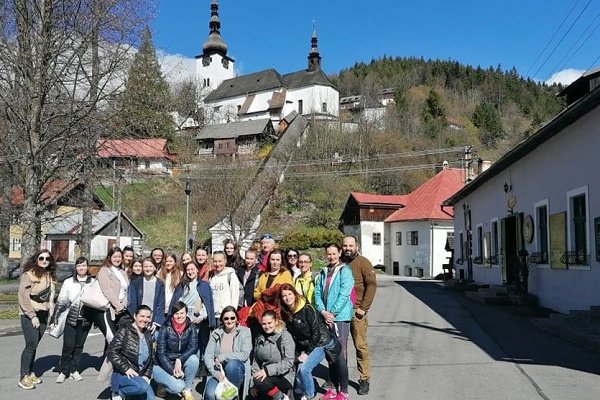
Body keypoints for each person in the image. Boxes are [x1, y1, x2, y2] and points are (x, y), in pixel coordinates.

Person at [279, 284, 345, 400]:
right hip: (306, 344)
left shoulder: (307, 308)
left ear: (295, 294)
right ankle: (300, 390)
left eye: (289, 294)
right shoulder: (285, 312)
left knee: (305, 369)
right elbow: (293, 335)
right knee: (298, 368)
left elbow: (316, 333)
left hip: (321, 342)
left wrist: (307, 353)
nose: (287, 298)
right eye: (284, 296)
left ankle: (309, 395)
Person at [314, 243, 354, 399]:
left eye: (334, 253)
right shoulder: (324, 272)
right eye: (328, 254)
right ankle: (333, 388)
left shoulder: (345, 271)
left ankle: (343, 391)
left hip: (340, 318)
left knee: (339, 353)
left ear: (339, 253)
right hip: (326, 317)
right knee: (329, 353)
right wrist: (323, 312)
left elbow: (344, 294)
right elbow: (317, 293)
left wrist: (332, 313)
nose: (331, 256)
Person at [342, 235, 377, 395]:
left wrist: (364, 308)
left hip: (357, 312)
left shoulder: (363, 262)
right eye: (345, 246)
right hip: (341, 313)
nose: (348, 248)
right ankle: (339, 377)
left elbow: (372, 285)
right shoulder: (339, 262)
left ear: (356, 246)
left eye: (351, 245)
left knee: (360, 346)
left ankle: (364, 379)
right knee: (339, 347)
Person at [50, 256, 94, 383]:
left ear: (87, 267)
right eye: (79, 266)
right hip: (70, 318)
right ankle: (63, 370)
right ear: (76, 267)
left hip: (86, 319)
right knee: (68, 346)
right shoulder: (69, 282)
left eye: (84, 265)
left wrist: (97, 321)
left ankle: (74, 370)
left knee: (79, 346)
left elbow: (97, 303)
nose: (81, 268)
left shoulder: (93, 282)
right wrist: (54, 319)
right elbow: (61, 301)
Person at [17, 249, 56, 390]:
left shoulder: (49, 275)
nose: (44, 261)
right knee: (31, 344)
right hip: (29, 314)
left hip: (43, 314)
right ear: (36, 260)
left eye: (47, 258)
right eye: (41, 258)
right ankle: (23, 377)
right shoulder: (28, 275)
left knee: (35, 345)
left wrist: (52, 319)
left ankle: (30, 371)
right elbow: (23, 297)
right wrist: (32, 316)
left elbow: (50, 299)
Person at [171, 261, 217, 367]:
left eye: (192, 269)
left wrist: (202, 317)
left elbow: (208, 303)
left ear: (197, 270)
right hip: (184, 318)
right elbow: (177, 302)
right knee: (184, 343)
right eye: (188, 270)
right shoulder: (182, 285)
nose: (190, 272)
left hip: (199, 318)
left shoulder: (204, 285)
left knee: (197, 343)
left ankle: (196, 366)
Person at [82, 247, 130, 345]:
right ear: (109, 258)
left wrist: (123, 306)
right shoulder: (105, 270)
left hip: (120, 311)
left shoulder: (122, 272)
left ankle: (109, 360)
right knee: (113, 340)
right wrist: (118, 305)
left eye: (119, 257)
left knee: (118, 340)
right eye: (115, 257)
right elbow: (106, 290)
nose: (117, 259)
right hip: (107, 309)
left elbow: (125, 291)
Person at [107, 305, 155, 400]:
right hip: (124, 373)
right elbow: (111, 352)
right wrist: (126, 368)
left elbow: (151, 358)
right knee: (142, 387)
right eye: (142, 316)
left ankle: (134, 391)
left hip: (140, 374)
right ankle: (118, 391)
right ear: (135, 316)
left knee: (151, 398)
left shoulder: (148, 334)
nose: (145, 319)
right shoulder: (124, 330)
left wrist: (147, 375)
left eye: (148, 317)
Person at [203, 306, 252, 400]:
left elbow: (244, 355)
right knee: (210, 395)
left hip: (237, 369)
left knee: (231, 365)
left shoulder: (245, 332)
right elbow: (208, 356)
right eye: (226, 318)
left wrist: (224, 356)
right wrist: (214, 372)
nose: (229, 321)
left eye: (232, 318)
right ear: (222, 320)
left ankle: (232, 396)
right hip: (219, 370)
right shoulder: (216, 333)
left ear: (237, 318)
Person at [153, 301, 199, 400]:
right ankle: (162, 385)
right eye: (176, 313)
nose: (179, 316)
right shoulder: (165, 327)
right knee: (178, 387)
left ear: (186, 313)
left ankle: (187, 390)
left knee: (194, 359)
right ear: (172, 315)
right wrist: (172, 370)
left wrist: (180, 359)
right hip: (162, 365)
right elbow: (161, 354)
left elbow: (194, 346)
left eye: (182, 313)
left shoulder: (191, 326)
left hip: (179, 362)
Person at [249, 310, 295, 400]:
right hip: (265, 376)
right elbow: (256, 361)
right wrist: (254, 385)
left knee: (261, 382)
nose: (267, 326)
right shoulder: (259, 337)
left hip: (284, 375)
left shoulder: (285, 336)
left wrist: (267, 371)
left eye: (269, 323)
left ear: (276, 321)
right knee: (253, 394)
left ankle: (282, 397)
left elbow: (288, 362)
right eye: (264, 324)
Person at [128, 257, 165, 336]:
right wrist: (137, 319)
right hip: (138, 320)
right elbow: (132, 302)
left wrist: (156, 322)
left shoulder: (160, 284)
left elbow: (160, 304)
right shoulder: (136, 283)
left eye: (150, 266)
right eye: (145, 267)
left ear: (155, 268)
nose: (148, 269)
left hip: (153, 320)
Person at [209, 251, 241, 317]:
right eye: (215, 261)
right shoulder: (211, 275)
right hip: (213, 315)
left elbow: (235, 296)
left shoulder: (231, 275)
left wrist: (232, 314)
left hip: (226, 316)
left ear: (225, 261)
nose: (217, 264)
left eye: (220, 261)